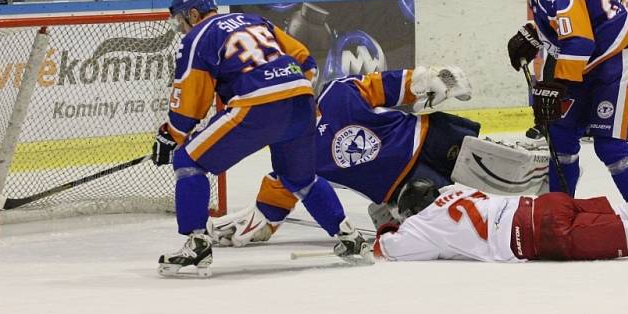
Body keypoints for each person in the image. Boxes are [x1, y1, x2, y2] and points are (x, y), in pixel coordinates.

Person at [154, 0, 370, 277]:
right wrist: (296, 91)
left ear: (193, 13)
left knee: (188, 161)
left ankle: (197, 244)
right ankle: (350, 238)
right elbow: (304, 57)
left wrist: (173, 133)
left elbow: (192, 93)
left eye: (181, 19)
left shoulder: (198, 36)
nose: (181, 26)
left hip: (257, 106)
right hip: (300, 100)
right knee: (299, 178)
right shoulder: (255, 21)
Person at [209, 66, 499, 247]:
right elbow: (272, 205)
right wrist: (253, 226)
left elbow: (392, 84)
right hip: (409, 185)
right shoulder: (293, 153)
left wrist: (435, 79)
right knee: (472, 216)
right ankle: (387, 211)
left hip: (431, 137)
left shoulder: (338, 93)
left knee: (497, 167)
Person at [373, 145, 628, 262]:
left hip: (541, 234)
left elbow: (391, 249)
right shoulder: (455, 193)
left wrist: (388, 227)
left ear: (412, 212)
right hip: (543, 207)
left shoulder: (421, 226)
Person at [505, 0, 628, 207]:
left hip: (615, 61)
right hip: (586, 63)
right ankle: (556, 211)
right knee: (560, 140)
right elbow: (570, 27)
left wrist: (558, 86)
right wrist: (535, 34)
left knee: (610, 146)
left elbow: (579, 41)